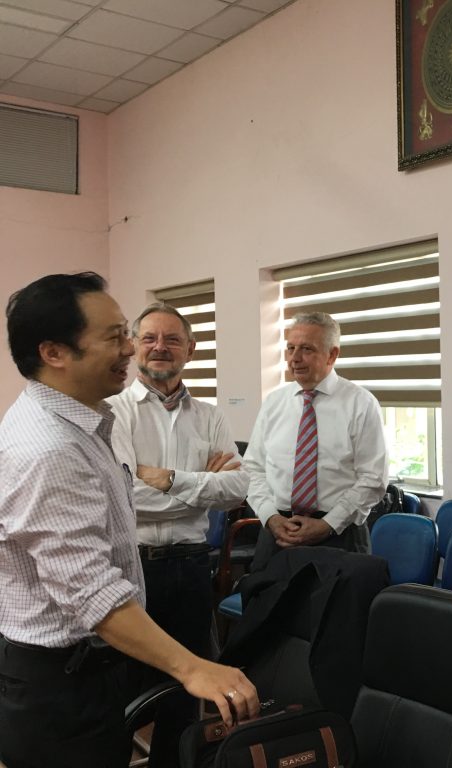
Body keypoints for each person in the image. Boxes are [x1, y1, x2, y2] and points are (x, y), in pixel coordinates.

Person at [0, 273, 257, 768]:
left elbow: (236, 489)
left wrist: (165, 480)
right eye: (117, 336)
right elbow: (92, 594)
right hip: (62, 677)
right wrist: (195, 666)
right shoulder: (51, 448)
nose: (131, 348)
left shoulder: (84, 421)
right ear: (55, 352)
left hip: (94, 657)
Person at [108, 302, 249, 766]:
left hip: (191, 566)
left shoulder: (210, 416)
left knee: (185, 692)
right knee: (123, 688)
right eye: (149, 338)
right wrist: (200, 484)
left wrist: (167, 478)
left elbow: (236, 491)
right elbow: (124, 497)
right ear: (133, 346)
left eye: (172, 339)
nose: (160, 347)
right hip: (133, 567)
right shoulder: (113, 413)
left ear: (190, 348)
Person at [245, 311, 388, 569]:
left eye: (306, 349)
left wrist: (328, 524)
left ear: (332, 355)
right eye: (290, 348)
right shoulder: (274, 403)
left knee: (338, 610)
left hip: (340, 534)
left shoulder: (361, 404)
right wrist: (270, 517)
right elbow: (253, 468)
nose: (294, 358)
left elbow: (373, 479)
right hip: (278, 533)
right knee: (266, 608)